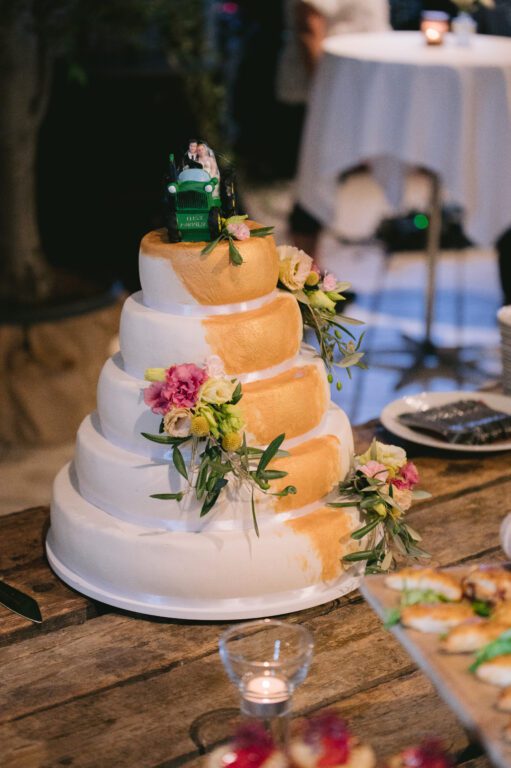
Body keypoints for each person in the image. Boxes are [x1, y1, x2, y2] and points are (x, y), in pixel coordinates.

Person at [277, 0, 390, 260]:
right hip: (321, 92)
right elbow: (309, 25)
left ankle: (311, 277)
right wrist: (325, 93)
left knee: (324, 187)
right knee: (311, 192)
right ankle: (303, 284)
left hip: (351, 90)